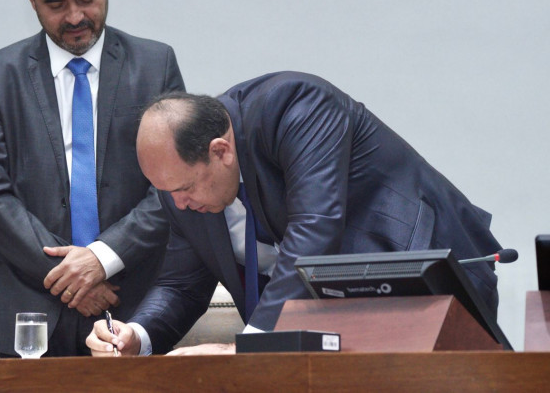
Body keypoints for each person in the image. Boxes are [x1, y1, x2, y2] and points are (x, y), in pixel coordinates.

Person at [87, 71, 504, 356]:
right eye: (166, 192)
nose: (178, 204)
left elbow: (315, 230)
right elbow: (180, 285)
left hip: (429, 280)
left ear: (221, 150)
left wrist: (248, 348)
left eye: (183, 189)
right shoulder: (181, 184)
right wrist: (135, 335)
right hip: (344, 319)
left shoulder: (295, 107)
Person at [0, 0, 184, 357]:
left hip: (129, 297)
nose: (74, 17)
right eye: (55, 4)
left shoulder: (155, 64)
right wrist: (71, 275)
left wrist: (102, 258)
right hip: (30, 307)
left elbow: (175, 184)